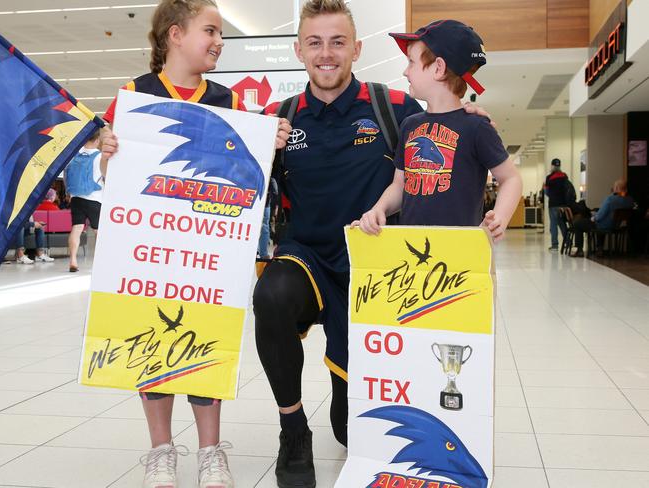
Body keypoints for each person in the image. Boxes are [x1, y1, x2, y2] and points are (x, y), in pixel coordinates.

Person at [252, 3, 494, 487]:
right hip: (305, 255)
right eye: (315, 42)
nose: (326, 54)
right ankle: (293, 429)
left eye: (338, 42)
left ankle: (343, 406)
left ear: (356, 49)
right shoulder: (275, 119)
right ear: (298, 50)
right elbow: (238, 190)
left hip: (374, 268)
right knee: (270, 296)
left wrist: (469, 113)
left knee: (349, 431)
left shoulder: (394, 108)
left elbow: (446, 126)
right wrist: (261, 150)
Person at [99, 2, 291, 487]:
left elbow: (244, 176)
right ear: (175, 34)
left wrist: (269, 143)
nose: (219, 41)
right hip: (151, 249)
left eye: (221, 32)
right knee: (153, 344)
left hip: (209, 251)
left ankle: (211, 452)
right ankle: (161, 450)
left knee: (207, 340)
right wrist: (108, 154)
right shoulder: (133, 94)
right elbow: (111, 177)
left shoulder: (225, 98)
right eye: (211, 31)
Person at [354, 19, 521, 241]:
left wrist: (500, 217)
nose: (405, 72)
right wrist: (379, 209)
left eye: (411, 62)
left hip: (459, 254)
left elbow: (511, 178)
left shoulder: (477, 126)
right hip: (412, 251)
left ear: (439, 68)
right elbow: (400, 184)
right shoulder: (409, 125)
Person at [64, 130, 104, 273]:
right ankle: (102, 263)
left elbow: (66, 177)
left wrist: (69, 193)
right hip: (94, 198)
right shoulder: (100, 157)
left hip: (76, 198)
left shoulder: (74, 155)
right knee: (99, 231)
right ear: (97, 140)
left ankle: (73, 260)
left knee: (77, 228)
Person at [571, 179, 634, 257]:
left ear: (617, 188)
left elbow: (600, 216)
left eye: (614, 187)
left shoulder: (610, 199)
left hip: (604, 225)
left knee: (578, 223)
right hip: (617, 226)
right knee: (601, 222)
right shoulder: (630, 200)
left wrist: (593, 217)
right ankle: (599, 249)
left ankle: (579, 250)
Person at [544, 158, 573, 251]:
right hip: (563, 204)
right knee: (562, 224)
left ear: (552, 166)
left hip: (553, 204)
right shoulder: (565, 176)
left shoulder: (549, 178)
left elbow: (546, 192)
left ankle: (555, 245)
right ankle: (567, 242)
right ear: (559, 166)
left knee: (553, 225)